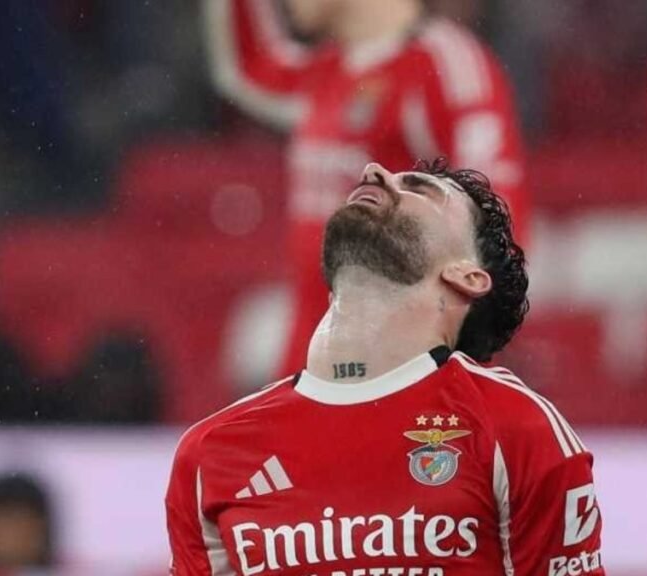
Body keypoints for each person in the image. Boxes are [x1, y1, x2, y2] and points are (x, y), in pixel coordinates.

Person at [166, 160, 603, 575]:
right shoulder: (209, 455)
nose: (373, 171)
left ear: (467, 275)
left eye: (421, 190)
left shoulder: (517, 429)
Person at [203, 0, 530, 376]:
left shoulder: (445, 65)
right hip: (313, 360)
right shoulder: (328, 70)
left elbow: (498, 229)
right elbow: (251, 65)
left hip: (399, 372)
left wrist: (439, 368)